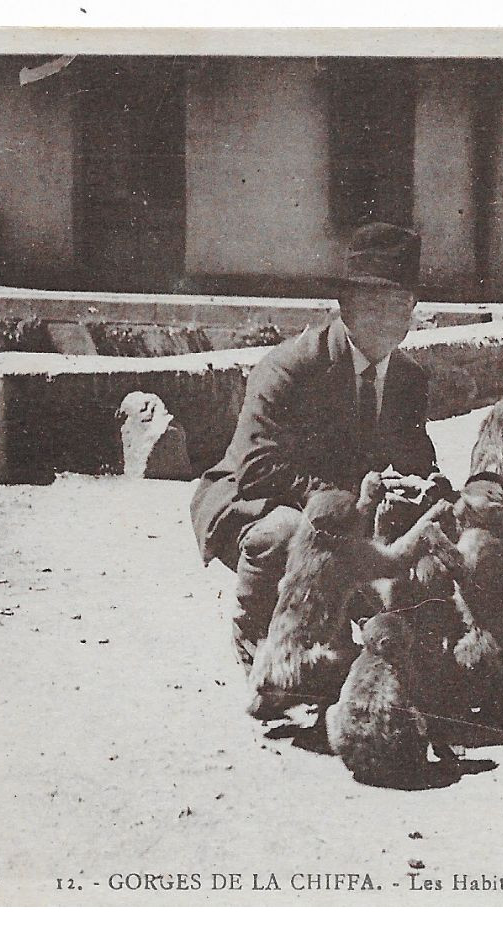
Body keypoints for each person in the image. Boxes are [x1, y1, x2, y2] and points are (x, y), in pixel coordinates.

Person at [189, 221, 452, 667]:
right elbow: (258, 468)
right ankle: (256, 633)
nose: (389, 316)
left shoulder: (408, 377)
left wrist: (426, 487)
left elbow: (415, 456)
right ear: (345, 306)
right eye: (374, 302)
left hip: (348, 510)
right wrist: (344, 499)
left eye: (401, 303)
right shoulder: (290, 368)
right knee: (288, 535)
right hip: (259, 503)